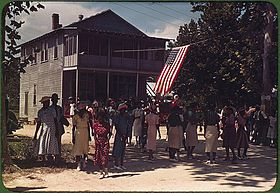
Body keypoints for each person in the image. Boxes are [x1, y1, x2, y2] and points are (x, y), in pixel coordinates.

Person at [33, 96, 59, 167]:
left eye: (48, 102)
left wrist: (57, 130)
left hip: (51, 128)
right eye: (45, 102)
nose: (47, 104)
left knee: (50, 143)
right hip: (44, 128)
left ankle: (50, 160)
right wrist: (36, 133)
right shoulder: (40, 112)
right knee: (43, 142)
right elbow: (38, 123)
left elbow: (55, 120)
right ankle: (44, 160)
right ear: (43, 103)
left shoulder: (52, 110)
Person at [72, 102, 91, 171]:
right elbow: (73, 127)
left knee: (85, 147)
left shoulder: (86, 115)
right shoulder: (75, 117)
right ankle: (78, 164)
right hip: (78, 133)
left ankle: (84, 161)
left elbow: (88, 125)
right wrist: (73, 137)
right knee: (78, 148)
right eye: (81, 109)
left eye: (83, 109)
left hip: (85, 132)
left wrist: (89, 135)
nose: (82, 111)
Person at [50, 93, 69, 163]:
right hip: (52, 127)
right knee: (52, 142)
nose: (55, 101)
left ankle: (58, 157)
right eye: (54, 99)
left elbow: (61, 117)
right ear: (52, 100)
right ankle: (51, 156)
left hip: (59, 126)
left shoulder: (59, 108)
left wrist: (65, 122)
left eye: (56, 99)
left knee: (58, 142)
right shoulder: (50, 109)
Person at [93, 108, 110, 179]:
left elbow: (109, 134)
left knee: (105, 156)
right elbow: (94, 135)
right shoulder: (95, 125)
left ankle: (106, 170)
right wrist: (96, 141)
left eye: (102, 117)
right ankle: (101, 172)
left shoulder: (107, 125)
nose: (100, 119)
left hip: (105, 141)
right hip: (98, 142)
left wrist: (107, 140)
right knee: (99, 157)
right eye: (99, 117)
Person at [112, 103, 129, 170]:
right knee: (117, 150)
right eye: (123, 110)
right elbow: (116, 126)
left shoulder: (125, 117)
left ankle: (121, 164)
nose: (124, 111)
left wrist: (126, 135)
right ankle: (116, 164)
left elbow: (127, 126)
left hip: (124, 135)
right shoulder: (117, 116)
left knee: (122, 150)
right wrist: (121, 134)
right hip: (119, 135)